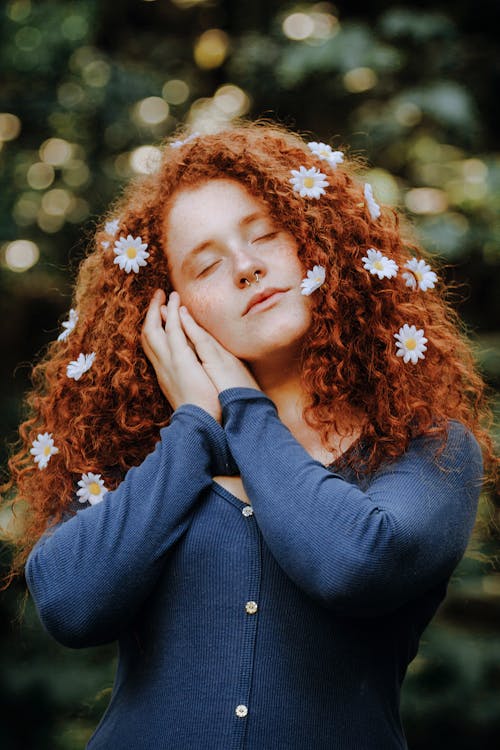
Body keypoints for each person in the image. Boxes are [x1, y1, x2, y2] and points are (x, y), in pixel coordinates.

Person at [1, 120, 497, 749]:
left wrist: (239, 402)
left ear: (318, 243)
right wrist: (190, 431)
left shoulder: (424, 443)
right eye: (204, 266)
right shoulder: (131, 454)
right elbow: (70, 605)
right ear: (168, 313)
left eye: (266, 234)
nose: (245, 267)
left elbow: (358, 565)